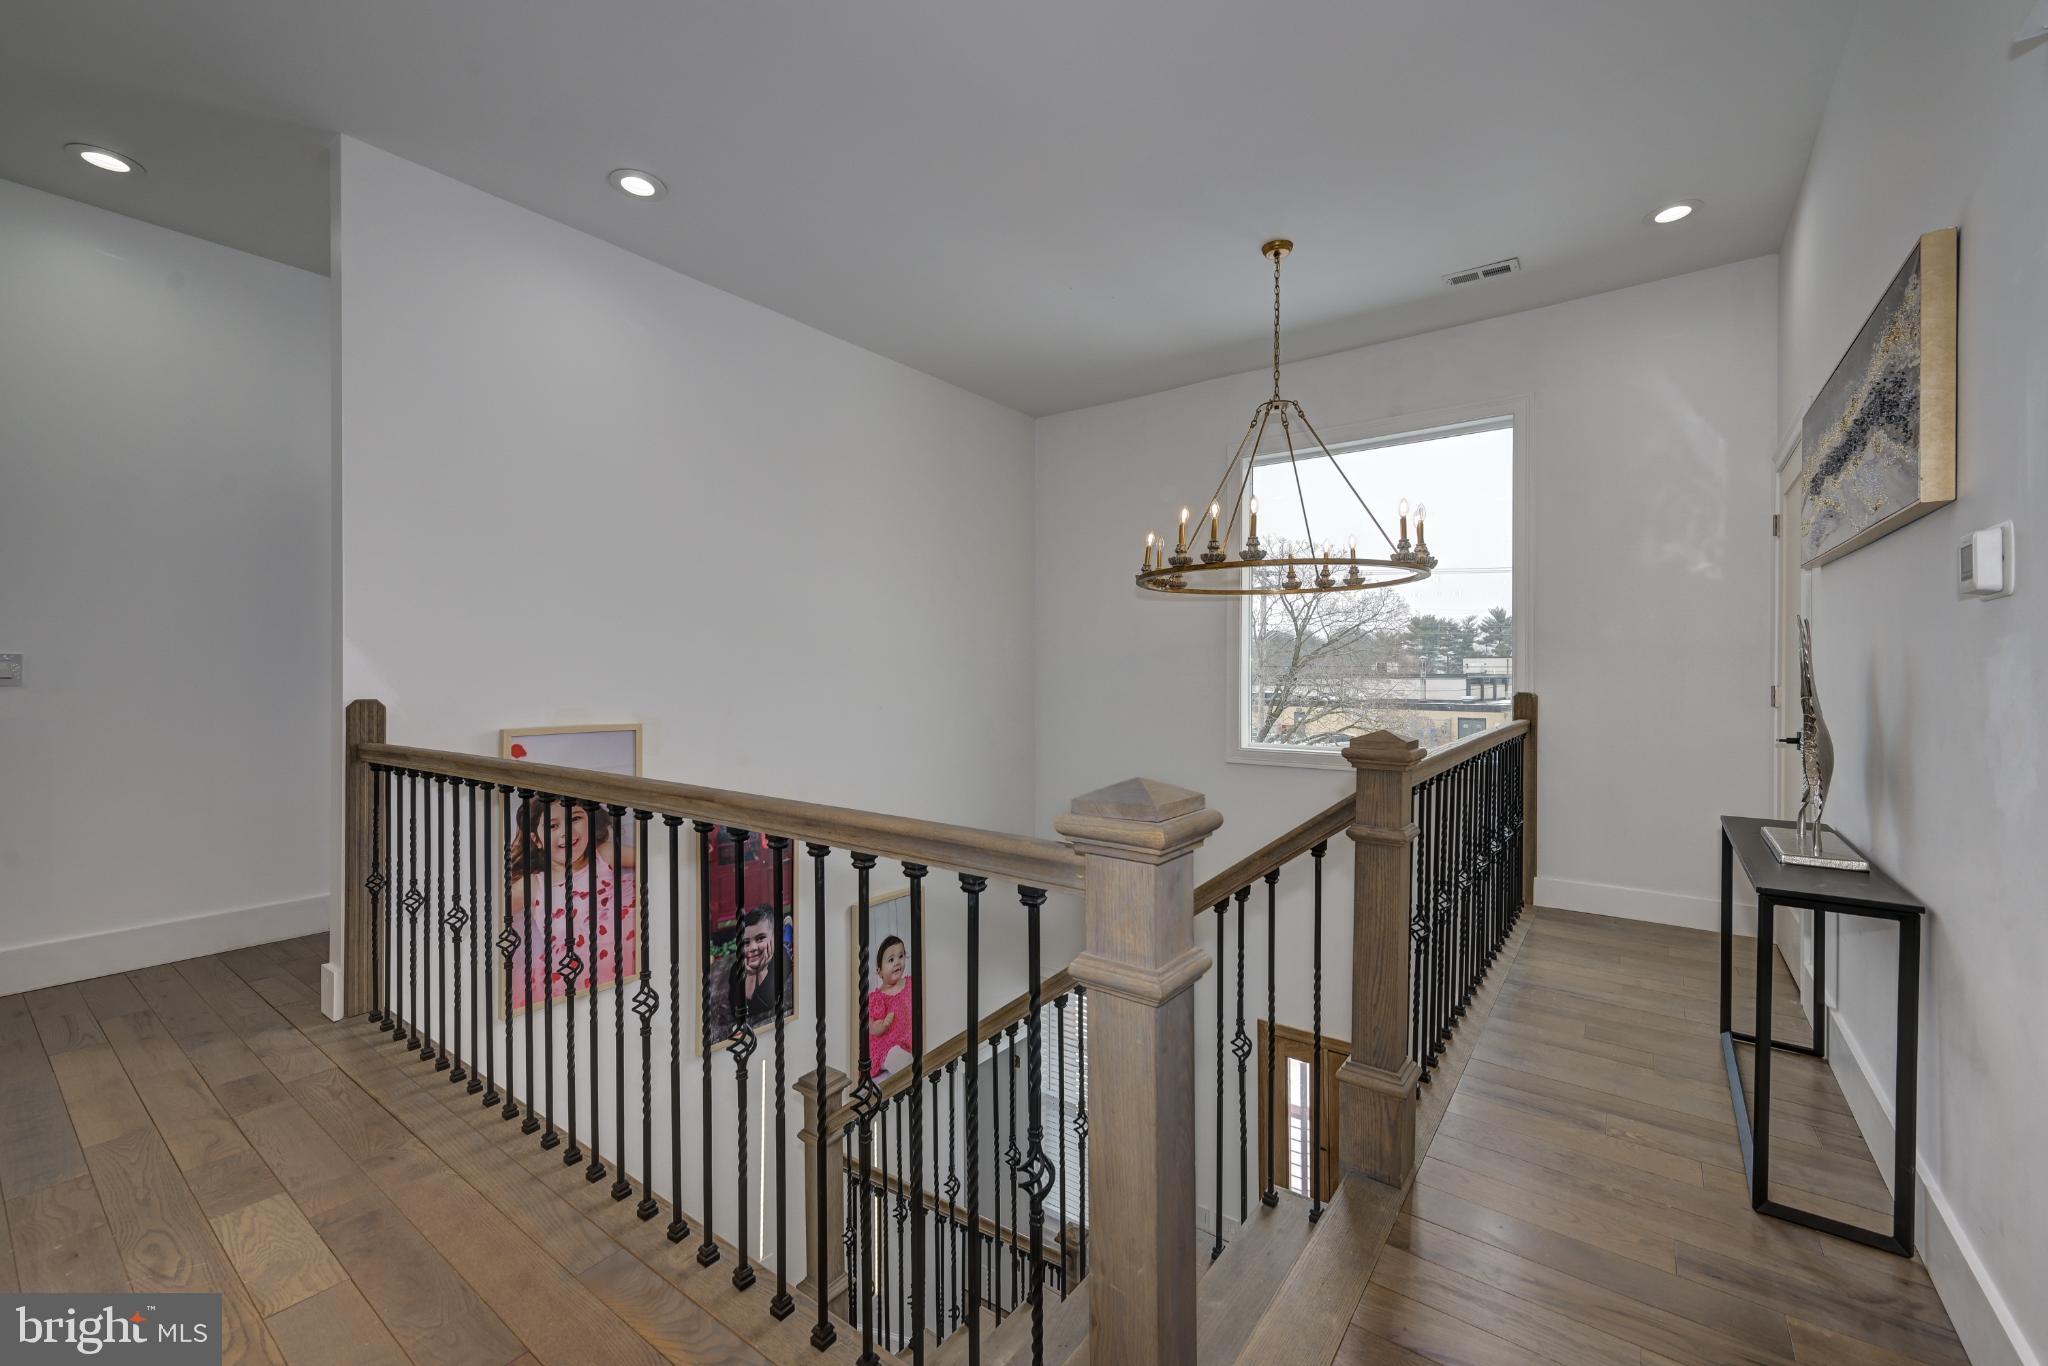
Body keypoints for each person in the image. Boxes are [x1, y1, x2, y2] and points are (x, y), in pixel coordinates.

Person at [503, 796, 637, 1011]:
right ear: (536, 839)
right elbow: (496, 908)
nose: (566, 832)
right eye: (553, 826)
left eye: (574, 819)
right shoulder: (536, 884)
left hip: (627, 961)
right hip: (572, 975)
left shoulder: (603, 855)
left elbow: (653, 860)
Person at [710, 904, 793, 1038]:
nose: (752, 947)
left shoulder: (782, 962)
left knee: (787, 946)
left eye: (760, 938)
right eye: (746, 942)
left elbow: (766, 1004)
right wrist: (751, 975)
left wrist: (761, 971)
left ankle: (786, 934)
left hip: (784, 952)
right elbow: (737, 1009)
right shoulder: (735, 970)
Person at [866, 934, 914, 1078]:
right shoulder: (878, 997)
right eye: (891, 960)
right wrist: (884, 1024)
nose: (897, 962)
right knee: (901, 1060)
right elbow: (873, 1028)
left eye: (901, 956)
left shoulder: (910, 983)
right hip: (887, 1045)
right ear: (879, 971)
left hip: (907, 1039)